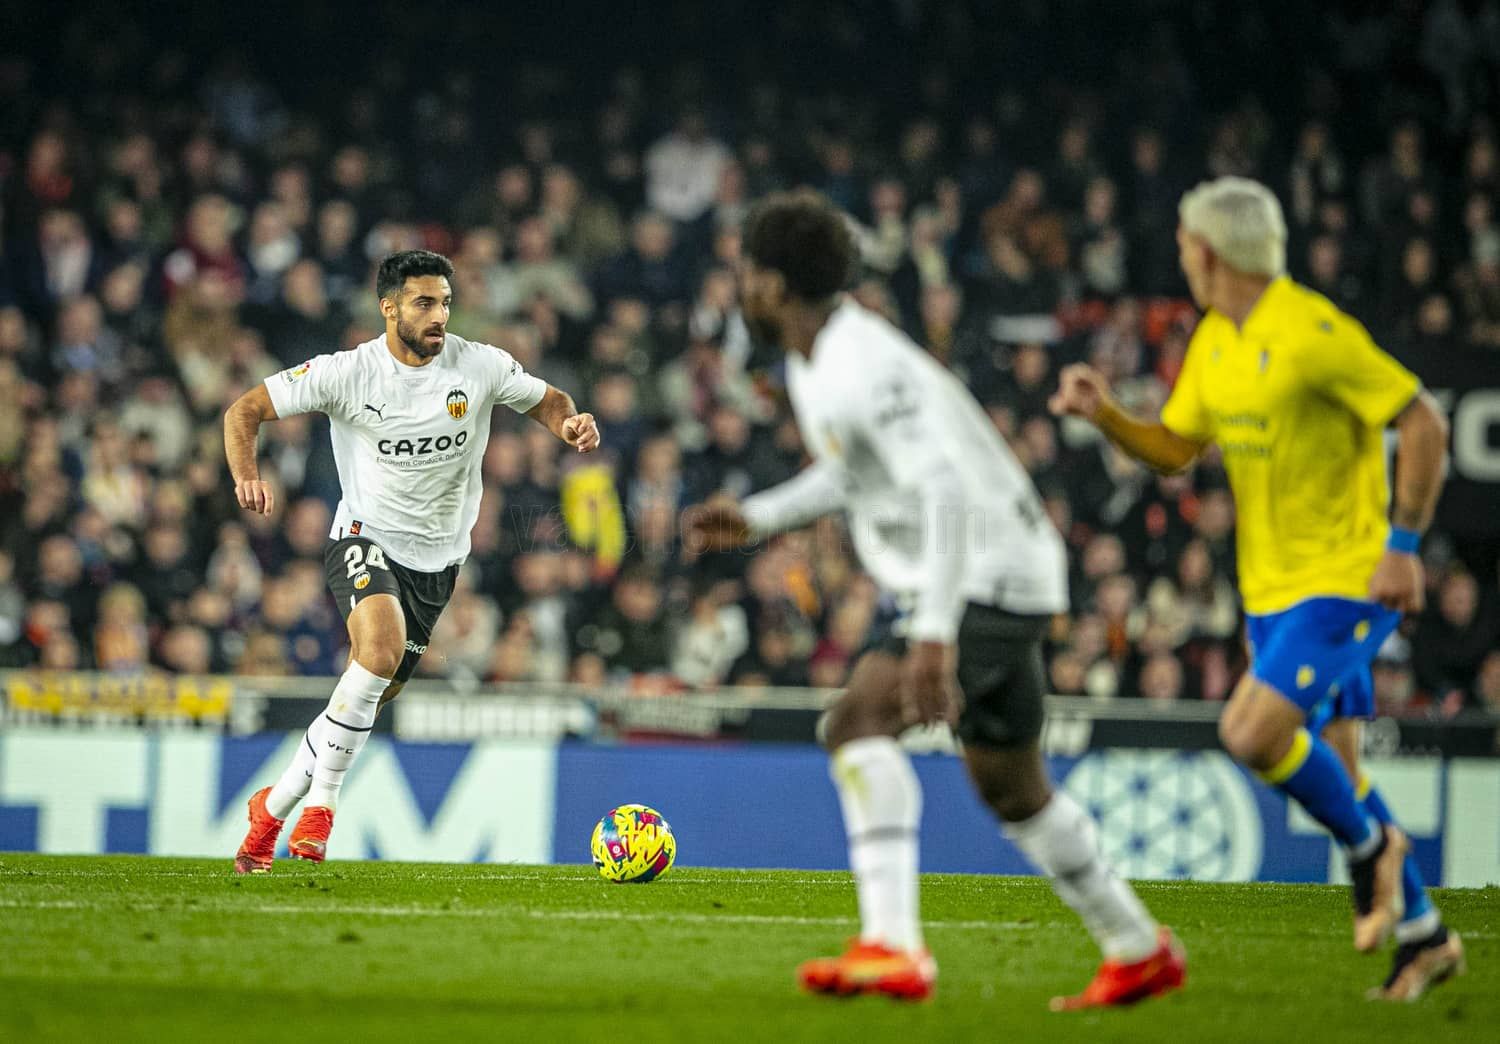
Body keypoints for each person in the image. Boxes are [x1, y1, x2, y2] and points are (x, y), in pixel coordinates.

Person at [686, 190, 1184, 1009]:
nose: (741, 287)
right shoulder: (818, 361)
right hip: (997, 571)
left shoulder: (860, 361)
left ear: (772, 284)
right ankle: (1136, 947)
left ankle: (892, 945)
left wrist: (934, 636)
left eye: (747, 272)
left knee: (855, 723)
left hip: (980, 573)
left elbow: (944, 489)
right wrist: (756, 516)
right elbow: (855, 473)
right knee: (1011, 786)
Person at [1050, 176, 1465, 1001]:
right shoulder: (1216, 339)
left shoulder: (1312, 331)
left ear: (1208, 252)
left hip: (1346, 581)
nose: (1179, 258)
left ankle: (1372, 849)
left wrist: (1405, 548)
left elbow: (1423, 421)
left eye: (1182, 246)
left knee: (1248, 730)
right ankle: (1424, 935)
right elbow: (1175, 448)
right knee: (1335, 767)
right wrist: (1106, 416)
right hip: (1270, 592)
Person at [224, 250, 599, 873]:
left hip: (439, 565)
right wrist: (246, 476)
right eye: (425, 303)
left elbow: (548, 399)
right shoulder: (346, 372)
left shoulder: (478, 365)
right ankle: (321, 806)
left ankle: (271, 807)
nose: (439, 316)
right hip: (363, 539)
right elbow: (244, 411)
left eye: (446, 303)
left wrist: (571, 424)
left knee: (370, 694)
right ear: (388, 307)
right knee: (377, 653)